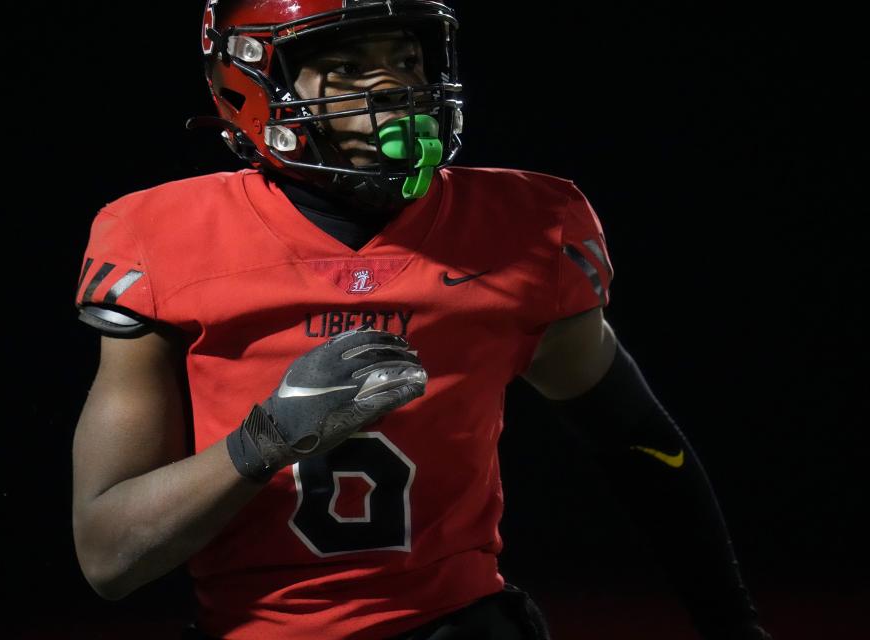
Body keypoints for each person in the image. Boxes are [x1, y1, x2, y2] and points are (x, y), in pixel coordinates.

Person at [71, 2, 773, 639]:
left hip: (457, 623)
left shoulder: (520, 229)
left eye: (405, 60)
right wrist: (266, 439)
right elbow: (109, 556)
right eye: (347, 67)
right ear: (253, 84)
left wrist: (731, 623)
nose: (392, 89)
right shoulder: (162, 236)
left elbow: (638, 443)